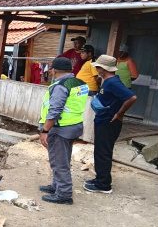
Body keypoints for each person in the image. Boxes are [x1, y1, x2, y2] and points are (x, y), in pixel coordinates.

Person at [38, 57, 88, 205]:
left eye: (52, 68)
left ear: (54, 70)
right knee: (62, 158)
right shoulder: (80, 83)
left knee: (59, 162)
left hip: (61, 128)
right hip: (74, 126)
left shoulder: (60, 86)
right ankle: (56, 186)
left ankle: (64, 194)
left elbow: (55, 110)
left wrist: (45, 130)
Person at [85, 55, 137, 194]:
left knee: (103, 153)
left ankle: (104, 185)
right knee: (100, 151)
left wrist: (119, 114)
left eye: (98, 67)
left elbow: (131, 97)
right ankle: (100, 178)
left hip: (109, 122)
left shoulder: (113, 82)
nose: (96, 69)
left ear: (103, 68)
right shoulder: (107, 81)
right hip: (103, 120)